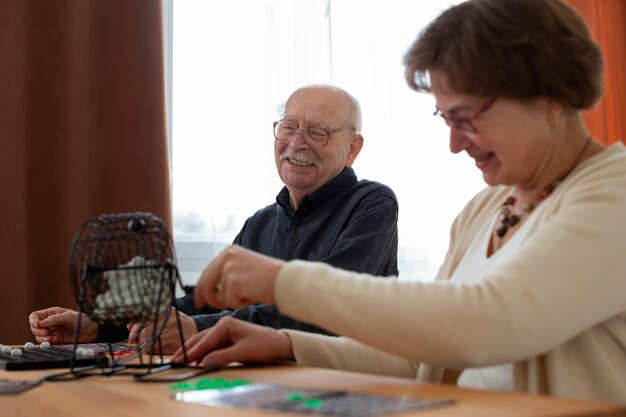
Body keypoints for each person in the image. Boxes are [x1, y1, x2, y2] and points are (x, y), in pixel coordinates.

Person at [171, 0, 626, 404]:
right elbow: (425, 358)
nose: (454, 144)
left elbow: (486, 321)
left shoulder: (614, 192)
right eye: (445, 118)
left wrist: (284, 281)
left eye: (465, 117)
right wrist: (288, 345)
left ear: (549, 95)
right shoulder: (483, 210)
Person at [28, 84, 399, 353]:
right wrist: (101, 326)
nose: (297, 142)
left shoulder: (372, 203)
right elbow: (206, 302)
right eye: (288, 126)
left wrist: (195, 330)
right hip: (263, 380)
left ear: (352, 148)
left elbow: (325, 309)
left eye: (317, 132)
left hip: (343, 383)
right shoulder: (260, 222)